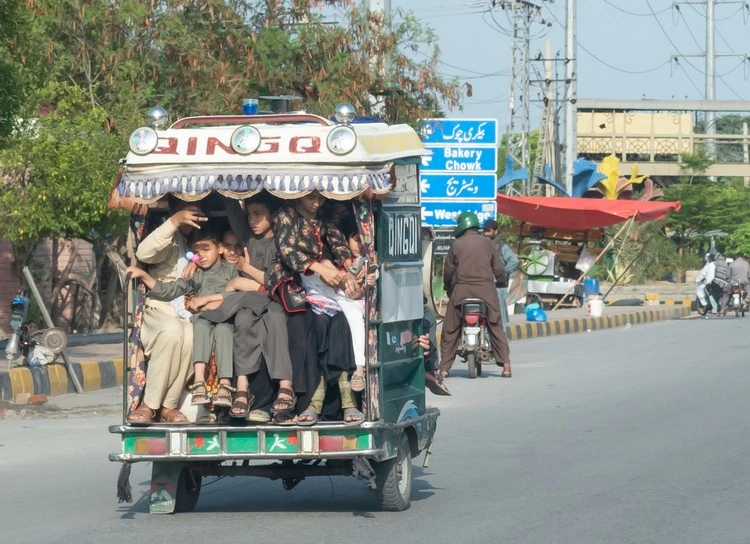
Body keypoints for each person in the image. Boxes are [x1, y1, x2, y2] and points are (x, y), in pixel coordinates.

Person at [127, 226, 239, 412]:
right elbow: (169, 290)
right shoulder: (195, 276)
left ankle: (225, 386)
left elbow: (240, 293)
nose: (201, 255)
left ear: (219, 248)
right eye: (196, 251)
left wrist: (210, 299)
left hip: (225, 316)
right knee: (199, 327)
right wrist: (145, 276)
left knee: (224, 330)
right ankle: (199, 384)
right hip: (203, 318)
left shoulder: (231, 270)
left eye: (206, 249)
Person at [208, 194, 296, 423]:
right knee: (244, 320)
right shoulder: (247, 238)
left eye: (258, 214)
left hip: (275, 300)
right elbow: (231, 206)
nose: (252, 220)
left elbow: (277, 282)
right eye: (249, 215)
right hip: (249, 301)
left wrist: (247, 268)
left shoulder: (283, 242)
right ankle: (242, 386)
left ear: (273, 216)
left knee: (276, 319)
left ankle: (285, 385)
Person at [125, 198, 208, 424]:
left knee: (193, 336)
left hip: (188, 311)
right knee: (171, 331)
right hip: (160, 310)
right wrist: (174, 222)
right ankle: (149, 405)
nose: (192, 220)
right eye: (187, 213)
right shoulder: (168, 240)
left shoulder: (201, 244)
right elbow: (144, 253)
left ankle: (168, 406)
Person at [274, 191, 364, 392]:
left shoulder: (325, 213)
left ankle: (359, 368)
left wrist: (346, 264)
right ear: (299, 196)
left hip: (324, 276)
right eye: (311, 198)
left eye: (320, 199)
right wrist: (321, 268)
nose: (316, 204)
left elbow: (338, 243)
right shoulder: (286, 214)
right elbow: (288, 252)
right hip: (294, 279)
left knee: (354, 309)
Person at [440, 212, 511, 378]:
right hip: (486, 291)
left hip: (461, 291)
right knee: (496, 326)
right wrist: (500, 281)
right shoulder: (487, 243)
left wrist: (446, 285)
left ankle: (444, 368)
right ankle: (506, 366)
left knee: (450, 329)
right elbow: (499, 268)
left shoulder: (456, 244)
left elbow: (448, 270)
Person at [482, 219, 520, 333]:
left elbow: (514, 261)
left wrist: (501, 273)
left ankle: (500, 343)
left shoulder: (501, 246)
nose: (486, 234)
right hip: (486, 285)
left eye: (488, 231)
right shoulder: (484, 243)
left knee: (500, 318)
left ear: (496, 231)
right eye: (484, 231)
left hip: (498, 287)